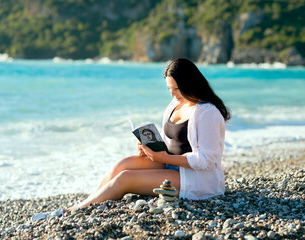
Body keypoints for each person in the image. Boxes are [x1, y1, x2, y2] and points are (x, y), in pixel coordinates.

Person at [32, 58, 230, 222]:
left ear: (190, 84)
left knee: (125, 178)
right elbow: (172, 145)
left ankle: (71, 212)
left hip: (196, 179)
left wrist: (162, 157)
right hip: (170, 163)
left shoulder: (208, 113)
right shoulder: (174, 105)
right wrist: (150, 148)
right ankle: (90, 201)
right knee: (122, 164)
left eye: (176, 89)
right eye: (169, 88)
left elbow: (205, 161)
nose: (172, 94)